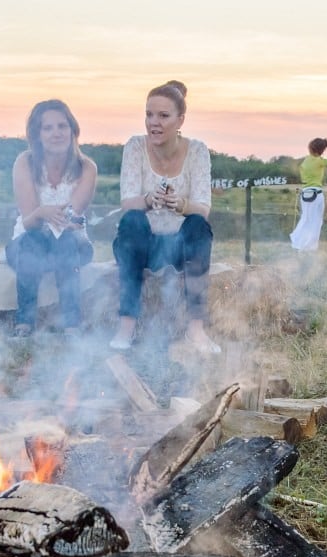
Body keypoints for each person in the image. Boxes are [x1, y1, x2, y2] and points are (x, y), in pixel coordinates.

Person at [110, 80, 220, 354]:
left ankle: (196, 329)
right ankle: (126, 324)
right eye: (149, 114)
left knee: (198, 225)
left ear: (180, 119)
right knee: (132, 220)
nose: (153, 123)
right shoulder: (135, 146)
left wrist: (180, 204)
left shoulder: (197, 151)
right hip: (143, 245)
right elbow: (127, 202)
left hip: (180, 247)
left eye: (163, 115)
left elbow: (203, 208)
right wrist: (149, 201)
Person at [6, 99, 97, 338]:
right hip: (29, 241)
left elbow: (72, 214)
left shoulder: (87, 167)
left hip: (73, 241)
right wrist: (42, 213)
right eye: (47, 128)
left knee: (65, 240)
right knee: (32, 240)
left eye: (62, 126)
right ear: (37, 135)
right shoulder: (24, 163)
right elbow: (28, 221)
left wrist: (56, 217)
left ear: (72, 130)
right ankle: (24, 323)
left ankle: (71, 325)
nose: (56, 133)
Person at [290, 137, 327, 251]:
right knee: (316, 221)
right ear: (321, 150)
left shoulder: (305, 161)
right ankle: (309, 246)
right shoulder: (319, 160)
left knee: (306, 218)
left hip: (305, 192)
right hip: (316, 193)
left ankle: (300, 242)